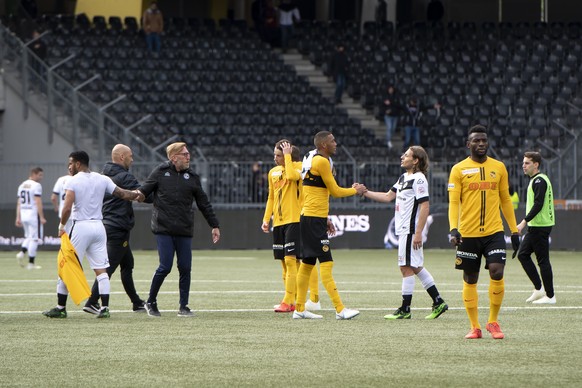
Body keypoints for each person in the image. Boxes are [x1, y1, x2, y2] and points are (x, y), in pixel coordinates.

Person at [42, 151, 144, 319]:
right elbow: (123, 194)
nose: (69, 166)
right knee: (102, 270)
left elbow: (67, 208)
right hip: (98, 227)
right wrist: (138, 195)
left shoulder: (72, 181)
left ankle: (61, 307)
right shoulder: (101, 178)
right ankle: (104, 308)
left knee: (67, 266)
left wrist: (61, 226)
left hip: (80, 226)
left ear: (78, 164)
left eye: (71, 163)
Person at [448, 125, 520, 339]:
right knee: (470, 278)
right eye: (476, 141)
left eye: (484, 141)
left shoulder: (499, 167)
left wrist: (514, 231)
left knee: (497, 271)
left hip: (494, 231)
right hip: (468, 233)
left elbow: (506, 200)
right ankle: (475, 326)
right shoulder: (458, 169)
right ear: (468, 144)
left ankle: (493, 322)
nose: (481, 144)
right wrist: (454, 228)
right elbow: (453, 202)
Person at [364, 146, 448, 320]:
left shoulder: (419, 179)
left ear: (416, 160)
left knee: (405, 267)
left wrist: (418, 232)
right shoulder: (403, 178)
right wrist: (365, 192)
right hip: (404, 230)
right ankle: (438, 301)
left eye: (407, 155)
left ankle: (405, 309)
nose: (402, 157)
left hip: (410, 230)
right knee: (415, 266)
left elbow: (425, 206)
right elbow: (388, 196)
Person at [138, 142, 220, 317]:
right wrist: (134, 194)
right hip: (163, 228)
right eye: (184, 154)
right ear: (173, 157)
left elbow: (203, 203)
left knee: (185, 267)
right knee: (165, 266)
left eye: (188, 153)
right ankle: (151, 301)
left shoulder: (193, 177)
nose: (188, 157)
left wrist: (214, 225)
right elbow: (144, 192)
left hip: (184, 228)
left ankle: (184, 306)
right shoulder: (160, 172)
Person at [292, 131, 366, 320]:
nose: (336, 143)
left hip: (310, 217)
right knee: (326, 262)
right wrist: (355, 190)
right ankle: (340, 309)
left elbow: (315, 192)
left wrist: (325, 218)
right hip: (312, 219)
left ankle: (299, 309)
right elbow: (334, 191)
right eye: (332, 141)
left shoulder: (312, 159)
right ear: (324, 145)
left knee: (307, 264)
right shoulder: (322, 162)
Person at [83, 144, 148, 315]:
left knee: (127, 264)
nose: (132, 159)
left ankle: (136, 302)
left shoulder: (103, 175)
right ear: (121, 157)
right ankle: (91, 301)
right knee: (108, 267)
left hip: (106, 224)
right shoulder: (124, 177)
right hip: (118, 227)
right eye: (130, 156)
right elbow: (144, 194)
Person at [262, 140, 320, 313]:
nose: (275, 158)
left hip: (295, 220)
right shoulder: (273, 172)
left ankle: (303, 299)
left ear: (288, 155)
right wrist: (267, 218)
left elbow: (292, 177)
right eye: (275, 155)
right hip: (279, 222)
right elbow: (271, 197)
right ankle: (292, 299)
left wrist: (287, 157)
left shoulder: (299, 167)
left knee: (296, 260)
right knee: (285, 263)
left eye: (279, 155)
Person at [517, 151, 556, 304]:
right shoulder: (536, 180)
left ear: (536, 164)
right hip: (537, 226)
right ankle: (539, 288)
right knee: (523, 255)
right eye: (523, 163)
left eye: (527, 163)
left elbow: (538, 204)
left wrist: (523, 222)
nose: (523, 166)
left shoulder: (540, 181)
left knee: (542, 261)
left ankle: (550, 296)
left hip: (540, 226)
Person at [15, 167, 46, 270]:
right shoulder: (36, 186)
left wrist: (18, 217)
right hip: (33, 215)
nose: (41, 177)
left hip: (24, 214)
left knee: (28, 236)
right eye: (40, 175)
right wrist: (41, 216)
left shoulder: (22, 185)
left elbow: (19, 203)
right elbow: (38, 201)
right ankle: (31, 263)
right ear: (34, 174)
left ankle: (22, 252)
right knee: (35, 239)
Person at [382, 84, 401, 150]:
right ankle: (388, 141)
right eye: (390, 89)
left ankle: (387, 138)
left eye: (392, 89)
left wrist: (391, 103)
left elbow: (397, 104)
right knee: (389, 128)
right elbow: (383, 104)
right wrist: (386, 111)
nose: (391, 90)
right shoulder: (385, 96)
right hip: (388, 116)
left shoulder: (396, 96)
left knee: (393, 129)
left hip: (395, 115)